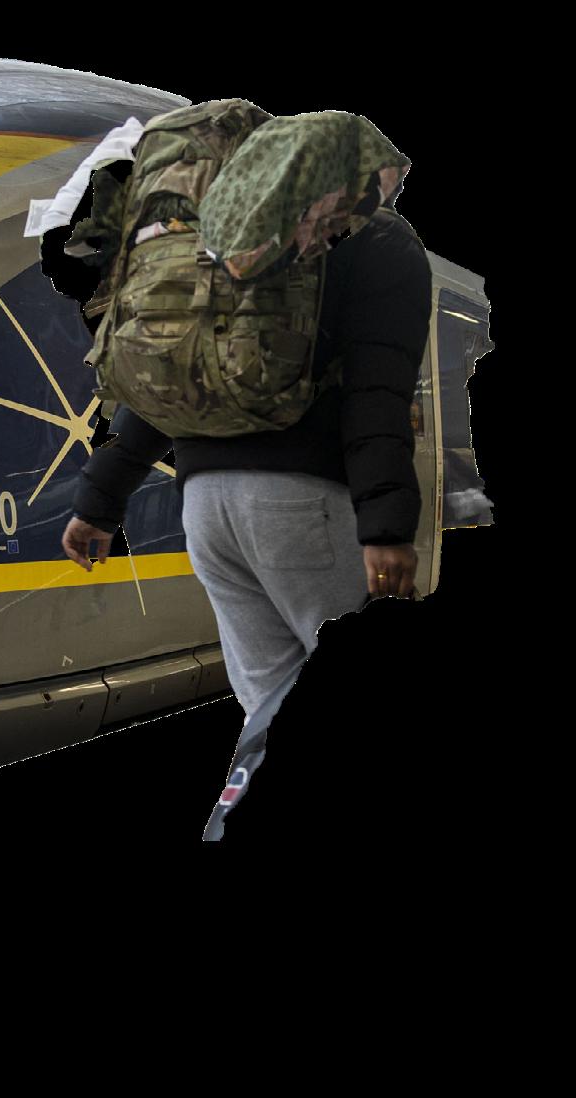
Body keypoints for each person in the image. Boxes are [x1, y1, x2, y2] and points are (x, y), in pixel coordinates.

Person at [55, 112, 433, 723]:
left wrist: (98, 501)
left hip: (208, 509)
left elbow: (169, 382)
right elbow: (377, 394)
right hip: (306, 506)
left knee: (267, 710)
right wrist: (386, 530)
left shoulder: (204, 244)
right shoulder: (378, 240)